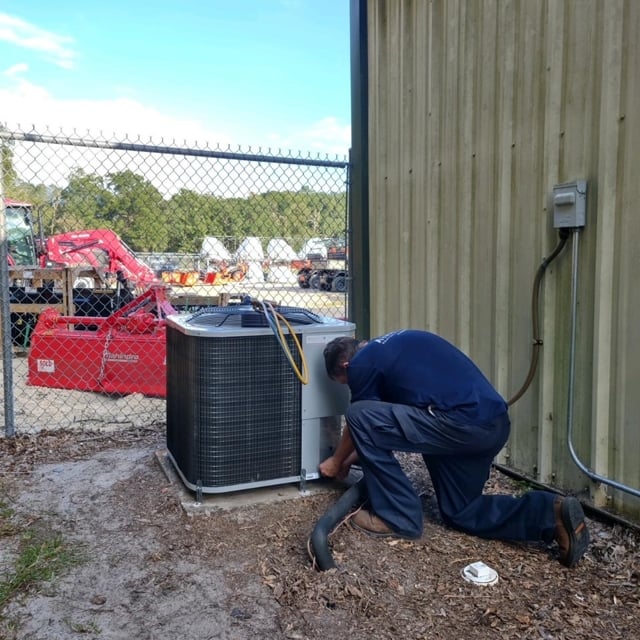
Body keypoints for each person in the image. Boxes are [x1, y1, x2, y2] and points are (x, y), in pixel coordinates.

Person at [319, 330, 590, 568]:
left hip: (458, 426)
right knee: (461, 512)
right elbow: (375, 433)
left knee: (357, 413)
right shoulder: (394, 345)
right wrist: (347, 459)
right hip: (489, 426)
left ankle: (398, 517)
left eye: (343, 381)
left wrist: (336, 461)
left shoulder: (362, 364)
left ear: (345, 366)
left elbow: (360, 423)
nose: (349, 383)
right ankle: (550, 513)